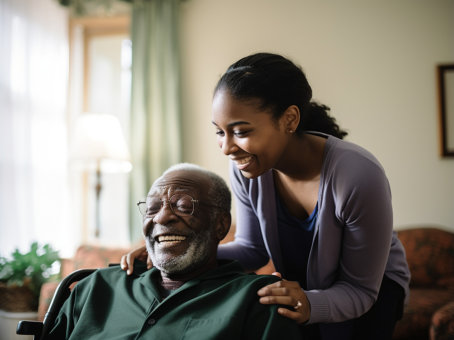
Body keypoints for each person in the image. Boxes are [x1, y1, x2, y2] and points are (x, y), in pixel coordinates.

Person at [121, 53, 411, 340]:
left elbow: (359, 290)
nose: (226, 148)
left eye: (240, 131)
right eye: (220, 132)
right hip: (308, 286)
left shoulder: (358, 176)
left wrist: (311, 303)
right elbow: (252, 249)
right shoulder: (249, 168)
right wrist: (173, 254)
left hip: (372, 289)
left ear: (289, 119)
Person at [47, 163, 302, 339]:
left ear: (221, 225)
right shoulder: (95, 287)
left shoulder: (261, 300)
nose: (163, 217)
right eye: (152, 207)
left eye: (182, 205)